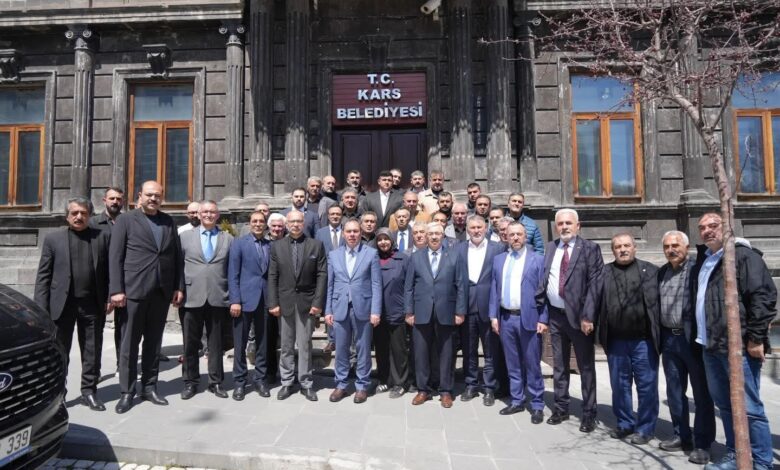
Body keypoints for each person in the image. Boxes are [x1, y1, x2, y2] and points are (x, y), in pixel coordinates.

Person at [692, 213, 775, 470]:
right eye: (702, 227)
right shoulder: (706, 259)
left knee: (750, 408)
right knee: (726, 406)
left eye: (713, 225)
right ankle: (735, 454)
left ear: (728, 226)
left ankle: (762, 462)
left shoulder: (743, 256)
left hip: (738, 347)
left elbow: (763, 297)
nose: (707, 231)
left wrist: (756, 339)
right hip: (710, 345)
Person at [109, 181, 183, 414]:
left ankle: (149, 387)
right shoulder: (126, 220)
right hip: (134, 291)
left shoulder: (168, 221)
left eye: (157, 195)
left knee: (154, 343)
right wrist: (116, 290)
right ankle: (127, 391)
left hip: (160, 292)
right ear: (139, 196)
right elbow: (115, 256)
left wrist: (178, 286)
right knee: (129, 345)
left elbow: (176, 257)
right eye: (149, 195)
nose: (153, 199)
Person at [35, 197, 111, 411]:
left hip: (91, 304)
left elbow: (109, 271)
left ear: (90, 215)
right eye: (74, 213)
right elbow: (43, 276)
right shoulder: (53, 239)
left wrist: (109, 297)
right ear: (67, 216)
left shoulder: (101, 237)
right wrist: (41, 308)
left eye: (83, 213)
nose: (79, 217)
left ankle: (89, 392)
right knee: (60, 352)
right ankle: (59, 393)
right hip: (62, 305)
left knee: (91, 351)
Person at [539, 208, 603, 432]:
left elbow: (595, 284)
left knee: (585, 366)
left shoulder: (590, 248)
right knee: (559, 365)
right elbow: (545, 280)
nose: (564, 227)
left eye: (568, 223)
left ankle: (589, 413)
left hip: (580, 318)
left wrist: (588, 316)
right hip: (556, 316)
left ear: (578, 226)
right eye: (560, 223)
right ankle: (561, 408)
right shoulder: (551, 247)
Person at [657, 230, 714, 464]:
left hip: (691, 339)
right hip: (669, 340)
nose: (671, 250)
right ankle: (681, 435)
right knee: (674, 391)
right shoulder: (662, 272)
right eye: (667, 246)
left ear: (686, 247)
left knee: (701, 394)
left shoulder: (697, 270)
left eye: (675, 245)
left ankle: (702, 443)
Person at [598, 234, 660, 445]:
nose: (622, 249)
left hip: (644, 341)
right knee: (620, 386)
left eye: (626, 245)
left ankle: (645, 428)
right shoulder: (604, 272)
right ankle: (625, 423)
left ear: (634, 248)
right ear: (613, 250)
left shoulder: (650, 271)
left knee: (647, 386)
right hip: (616, 342)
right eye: (618, 246)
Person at [488, 222, 548, 422]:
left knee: (532, 364)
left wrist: (543, 318)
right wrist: (493, 316)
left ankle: (537, 404)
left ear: (525, 236)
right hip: (506, 318)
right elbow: (494, 288)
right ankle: (517, 400)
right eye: (511, 234)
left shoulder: (537, 259)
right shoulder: (499, 260)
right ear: (506, 237)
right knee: (512, 363)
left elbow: (543, 293)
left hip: (528, 318)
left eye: (519, 234)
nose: (515, 238)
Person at [404, 222, 467, 408]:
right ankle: (423, 390)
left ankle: (445, 391)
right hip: (421, 312)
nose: (433, 237)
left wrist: (460, 311)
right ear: (425, 236)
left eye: (437, 234)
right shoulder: (416, 257)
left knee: (446, 353)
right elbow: (408, 287)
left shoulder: (454, 255)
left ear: (443, 236)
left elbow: (461, 285)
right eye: (430, 234)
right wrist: (409, 311)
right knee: (420, 352)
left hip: (446, 311)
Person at [267, 210, 328, 401]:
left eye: (298, 221)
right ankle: (286, 382)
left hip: (307, 303)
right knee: (286, 345)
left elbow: (322, 275)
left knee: (305, 345)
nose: (295, 225)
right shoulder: (277, 246)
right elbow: (272, 275)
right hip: (284, 303)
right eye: (292, 221)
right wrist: (273, 302)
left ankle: (306, 383)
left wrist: (317, 302)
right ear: (286, 224)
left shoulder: (316, 245)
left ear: (304, 223)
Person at [179, 200, 233, 400]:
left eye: (212, 212)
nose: (209, 215)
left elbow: (232, 268)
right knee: (190, 343)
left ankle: (216, 382)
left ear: (218, 215)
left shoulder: (228, 238)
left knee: (216, 343)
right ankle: (190, 382)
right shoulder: (185, 237)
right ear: (199, 214)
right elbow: (177, 266)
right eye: (205, 212)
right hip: (191, 296)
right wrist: (178, 290)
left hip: (218, 296)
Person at [325, 219, 382, 404]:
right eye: (348, 231)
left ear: (361, 233)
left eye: (355, 231)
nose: (352, 234)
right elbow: (330, 284)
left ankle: (362, 386)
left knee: (363, 349)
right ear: (343, 234)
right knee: (341, 349)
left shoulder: (371, 253)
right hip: (339, 308)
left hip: (363, 308)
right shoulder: (334, 255)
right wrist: (328, 310)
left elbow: (376, 284)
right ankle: (341, 384)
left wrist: (375, 311)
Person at [456, 215, 506, 406]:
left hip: (489, 306)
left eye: (479, 227)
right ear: (467, 230)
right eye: (472, 228)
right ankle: (470, 384)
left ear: (486, 228)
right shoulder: (459, 249)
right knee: (469, 349)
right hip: (467, 306)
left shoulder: (498, 248)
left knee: (490, 350)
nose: (476, 231)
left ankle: (489, 387)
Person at [228, 210, 272, 400]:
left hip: (265, 300)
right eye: (255, 221)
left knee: (263, 343)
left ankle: (260, 379)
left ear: (265, 224)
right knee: (240, 343)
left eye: (261, 221)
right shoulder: (239, 244)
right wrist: (235, 300)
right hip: (243, 301)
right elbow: (233, 274)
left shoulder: (270, 245)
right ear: (250, 223)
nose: (258, 224)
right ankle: (239, 382)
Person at [89, 187, 124, 375]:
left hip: (123, 283)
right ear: (104, 200)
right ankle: (94, 371)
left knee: (124, 329)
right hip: (99, 284)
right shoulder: (93, 223)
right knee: (95, 331)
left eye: (119, 199)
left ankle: (122, 366)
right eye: (112, 198)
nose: (115, 202)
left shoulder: (128, 221)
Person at [373, 228, 412, 398]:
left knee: (399, 350)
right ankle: (384, 379)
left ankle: (400, 382)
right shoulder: (372, 258)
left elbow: (409, 286)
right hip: (378, 312)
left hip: (397, 310)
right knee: (381, 348)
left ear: (392, 240)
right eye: (380, 239)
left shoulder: (403, 259)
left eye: (386, 239)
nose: (383, 242)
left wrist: (408, 310)